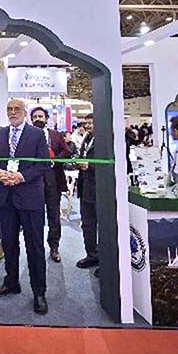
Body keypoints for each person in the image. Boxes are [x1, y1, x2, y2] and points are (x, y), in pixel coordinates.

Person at [0, 98, 50, 315]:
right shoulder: (0, 134)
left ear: (24, 112)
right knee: (9, 244)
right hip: (5, 199)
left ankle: (39, 292)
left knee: (35, 247)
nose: (13, 112)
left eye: (16, 109)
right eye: (9, 109)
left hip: (30, 199)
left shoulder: (37, 134)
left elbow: (43, 165)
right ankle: (11, 282)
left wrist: (21, 176)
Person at [30, 106, 71, 263]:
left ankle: (54, 247)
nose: (38, 119)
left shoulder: (55, 135)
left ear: (46, 118)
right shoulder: (27, 136)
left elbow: (67, 152)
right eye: (35, 117)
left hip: (53, 181)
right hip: (33, 183)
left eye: (41, 116)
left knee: (54, 216)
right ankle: (36, 248)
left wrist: (55, 160)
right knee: (35, 217)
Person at [75, 115, 98, 271]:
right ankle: (91, 255)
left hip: (100, 189)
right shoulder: (87, 138)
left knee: (102, 227)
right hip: (85, 189)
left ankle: (105, 260)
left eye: (91, 122)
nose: (88, 125)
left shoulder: (107, 138)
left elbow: (115, 162)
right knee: (87, 225)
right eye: (87, 122)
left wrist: (89, 165)